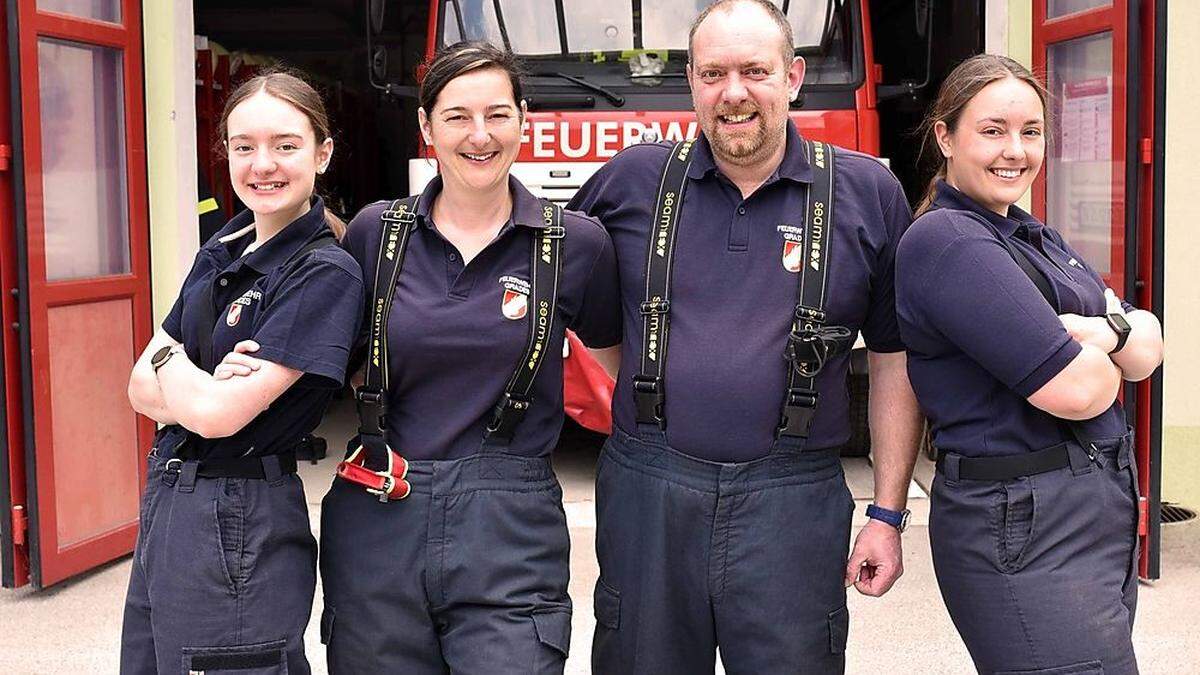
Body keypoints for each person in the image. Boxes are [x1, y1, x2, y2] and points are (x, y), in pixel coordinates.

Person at [567, 1, 923, 672]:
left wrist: (888, 512)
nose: (733, 93)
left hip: (793, 501)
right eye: (713, 73)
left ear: (792, 77)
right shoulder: (629, 180)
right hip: (650, 495)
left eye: (754, 71)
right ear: (692, 83)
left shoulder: (869, 192)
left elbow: (894, 357)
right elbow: (559, 291)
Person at [317, 41, 620, 674]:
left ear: (523, 119)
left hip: (510, 523)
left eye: (497, 114)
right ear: (426, 128)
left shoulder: (578, 247)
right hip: (380, 510)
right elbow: (329, 347)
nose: (479, 135)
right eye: (456, 116)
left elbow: (620, 367)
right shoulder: (377, 233)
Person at [896, 54, 1163, 674]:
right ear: (945, 137)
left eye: (1031, 131)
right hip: (1024, 527)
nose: (1015, 150)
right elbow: (1080, 391)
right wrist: (1111, 345)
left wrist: (1096, 331)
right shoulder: (951, 243)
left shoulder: (1027, 233)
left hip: (1082, 513)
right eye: (992, 130)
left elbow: (1147, 348)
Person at [121, 71, 364, 674]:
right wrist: (192, 379)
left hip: (236, 514)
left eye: (286, 145)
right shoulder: (226, 244)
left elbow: (217, 414)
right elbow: (137, 387)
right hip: (171, 501)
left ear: (322, 153)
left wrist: (176, 366)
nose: (264, 164)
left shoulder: (323, 273)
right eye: (244, 146)